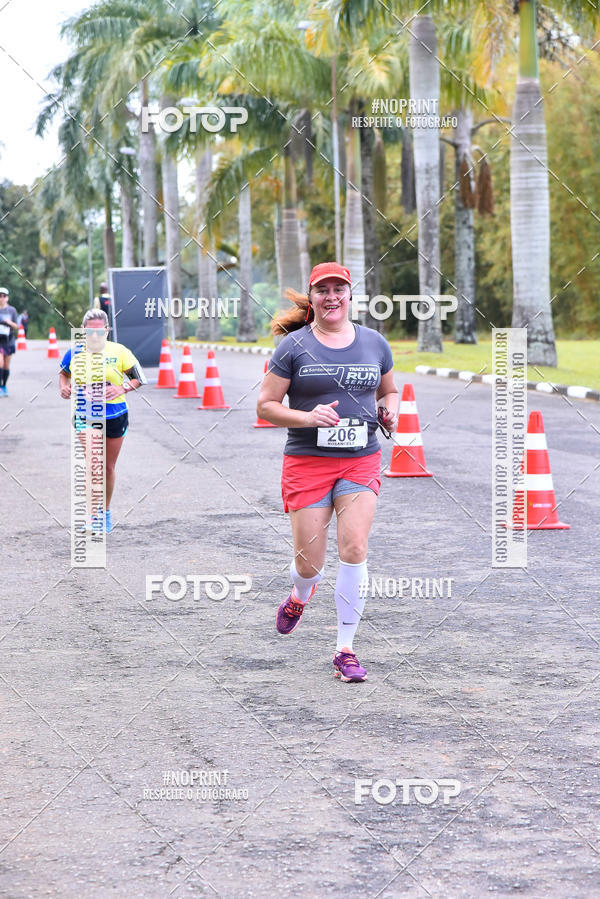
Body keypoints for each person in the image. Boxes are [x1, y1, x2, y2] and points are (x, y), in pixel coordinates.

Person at [257, 262, 399, 683]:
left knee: (354, 549)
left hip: (361, 458)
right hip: (307, 462)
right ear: (313, 296)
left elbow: (389, 389)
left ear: (350, 295)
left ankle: (345, 650)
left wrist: (390, 411)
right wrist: (307, 416)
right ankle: (301, 594)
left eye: (339, 289)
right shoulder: (293, 347)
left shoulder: (375, 343)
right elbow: (265, 406)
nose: (332, 297)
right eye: (323, 290)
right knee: (309, 564)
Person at [58, 309, 146, 533]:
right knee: (94, 464)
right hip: (85, 415)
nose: (94, 335)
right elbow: (64, 373)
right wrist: (64, 387)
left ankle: (105, 511)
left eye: (99, 331)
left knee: (107, 467)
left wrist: (122, 387)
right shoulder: (75, 352)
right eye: (89, 331)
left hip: (115, 415)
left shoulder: (119, 351)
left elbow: (140, 378)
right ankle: (92, 515)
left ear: (107, 330)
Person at [0, 287, 19, 396]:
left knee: (6, 366)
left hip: (9, 340)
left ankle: (4, 386)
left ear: (7, 298)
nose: (2, 298)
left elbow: (16, 326)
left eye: (4, 296)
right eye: (0, 296)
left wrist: (9, 322)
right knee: (0, 363)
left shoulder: (12, 310)